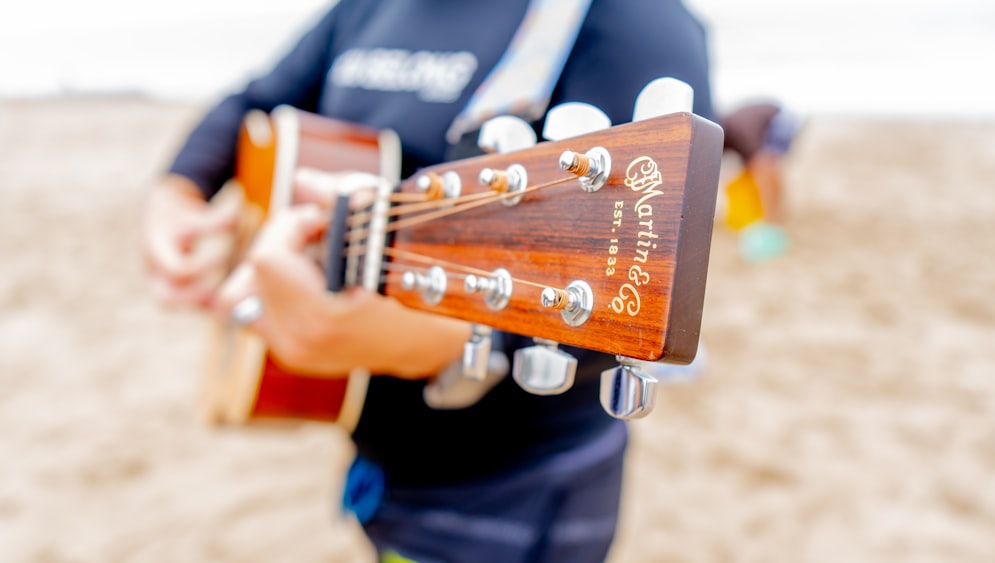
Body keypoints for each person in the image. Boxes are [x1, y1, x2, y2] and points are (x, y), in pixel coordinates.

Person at [142, 1, 715, 561]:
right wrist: (177, 192)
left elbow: (634, 287)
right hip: (376, 460)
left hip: (509, 496)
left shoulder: (630, 18)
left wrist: (431, 345)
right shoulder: (365, 7)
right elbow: (256, 101)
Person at [719, 101, 799, 262]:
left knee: (767, 168)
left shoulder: (740, 133)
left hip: (780, 118)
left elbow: (763, 167)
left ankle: (773, 219)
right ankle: (765, 215)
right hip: (761, 120)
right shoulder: (731, 135)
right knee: (755, 171)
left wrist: (770, 220)